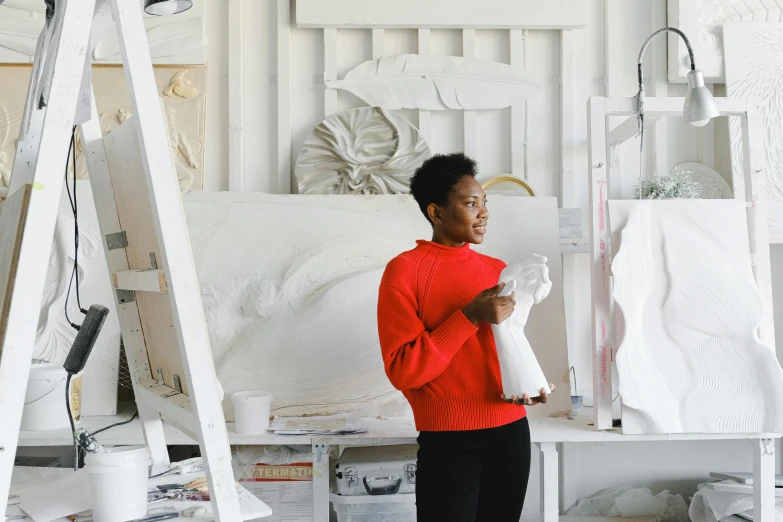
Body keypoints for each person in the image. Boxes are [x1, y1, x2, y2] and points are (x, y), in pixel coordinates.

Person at [377, 153, 554, 521]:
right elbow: (403, 370)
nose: (483, 212)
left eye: (484, 203)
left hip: (511, 431)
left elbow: (508, 346)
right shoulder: (404, 272)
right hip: (450, 440)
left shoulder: (496, 269)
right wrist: (468, 316)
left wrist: (525, 383)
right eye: (471, 203)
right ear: (436, 213)